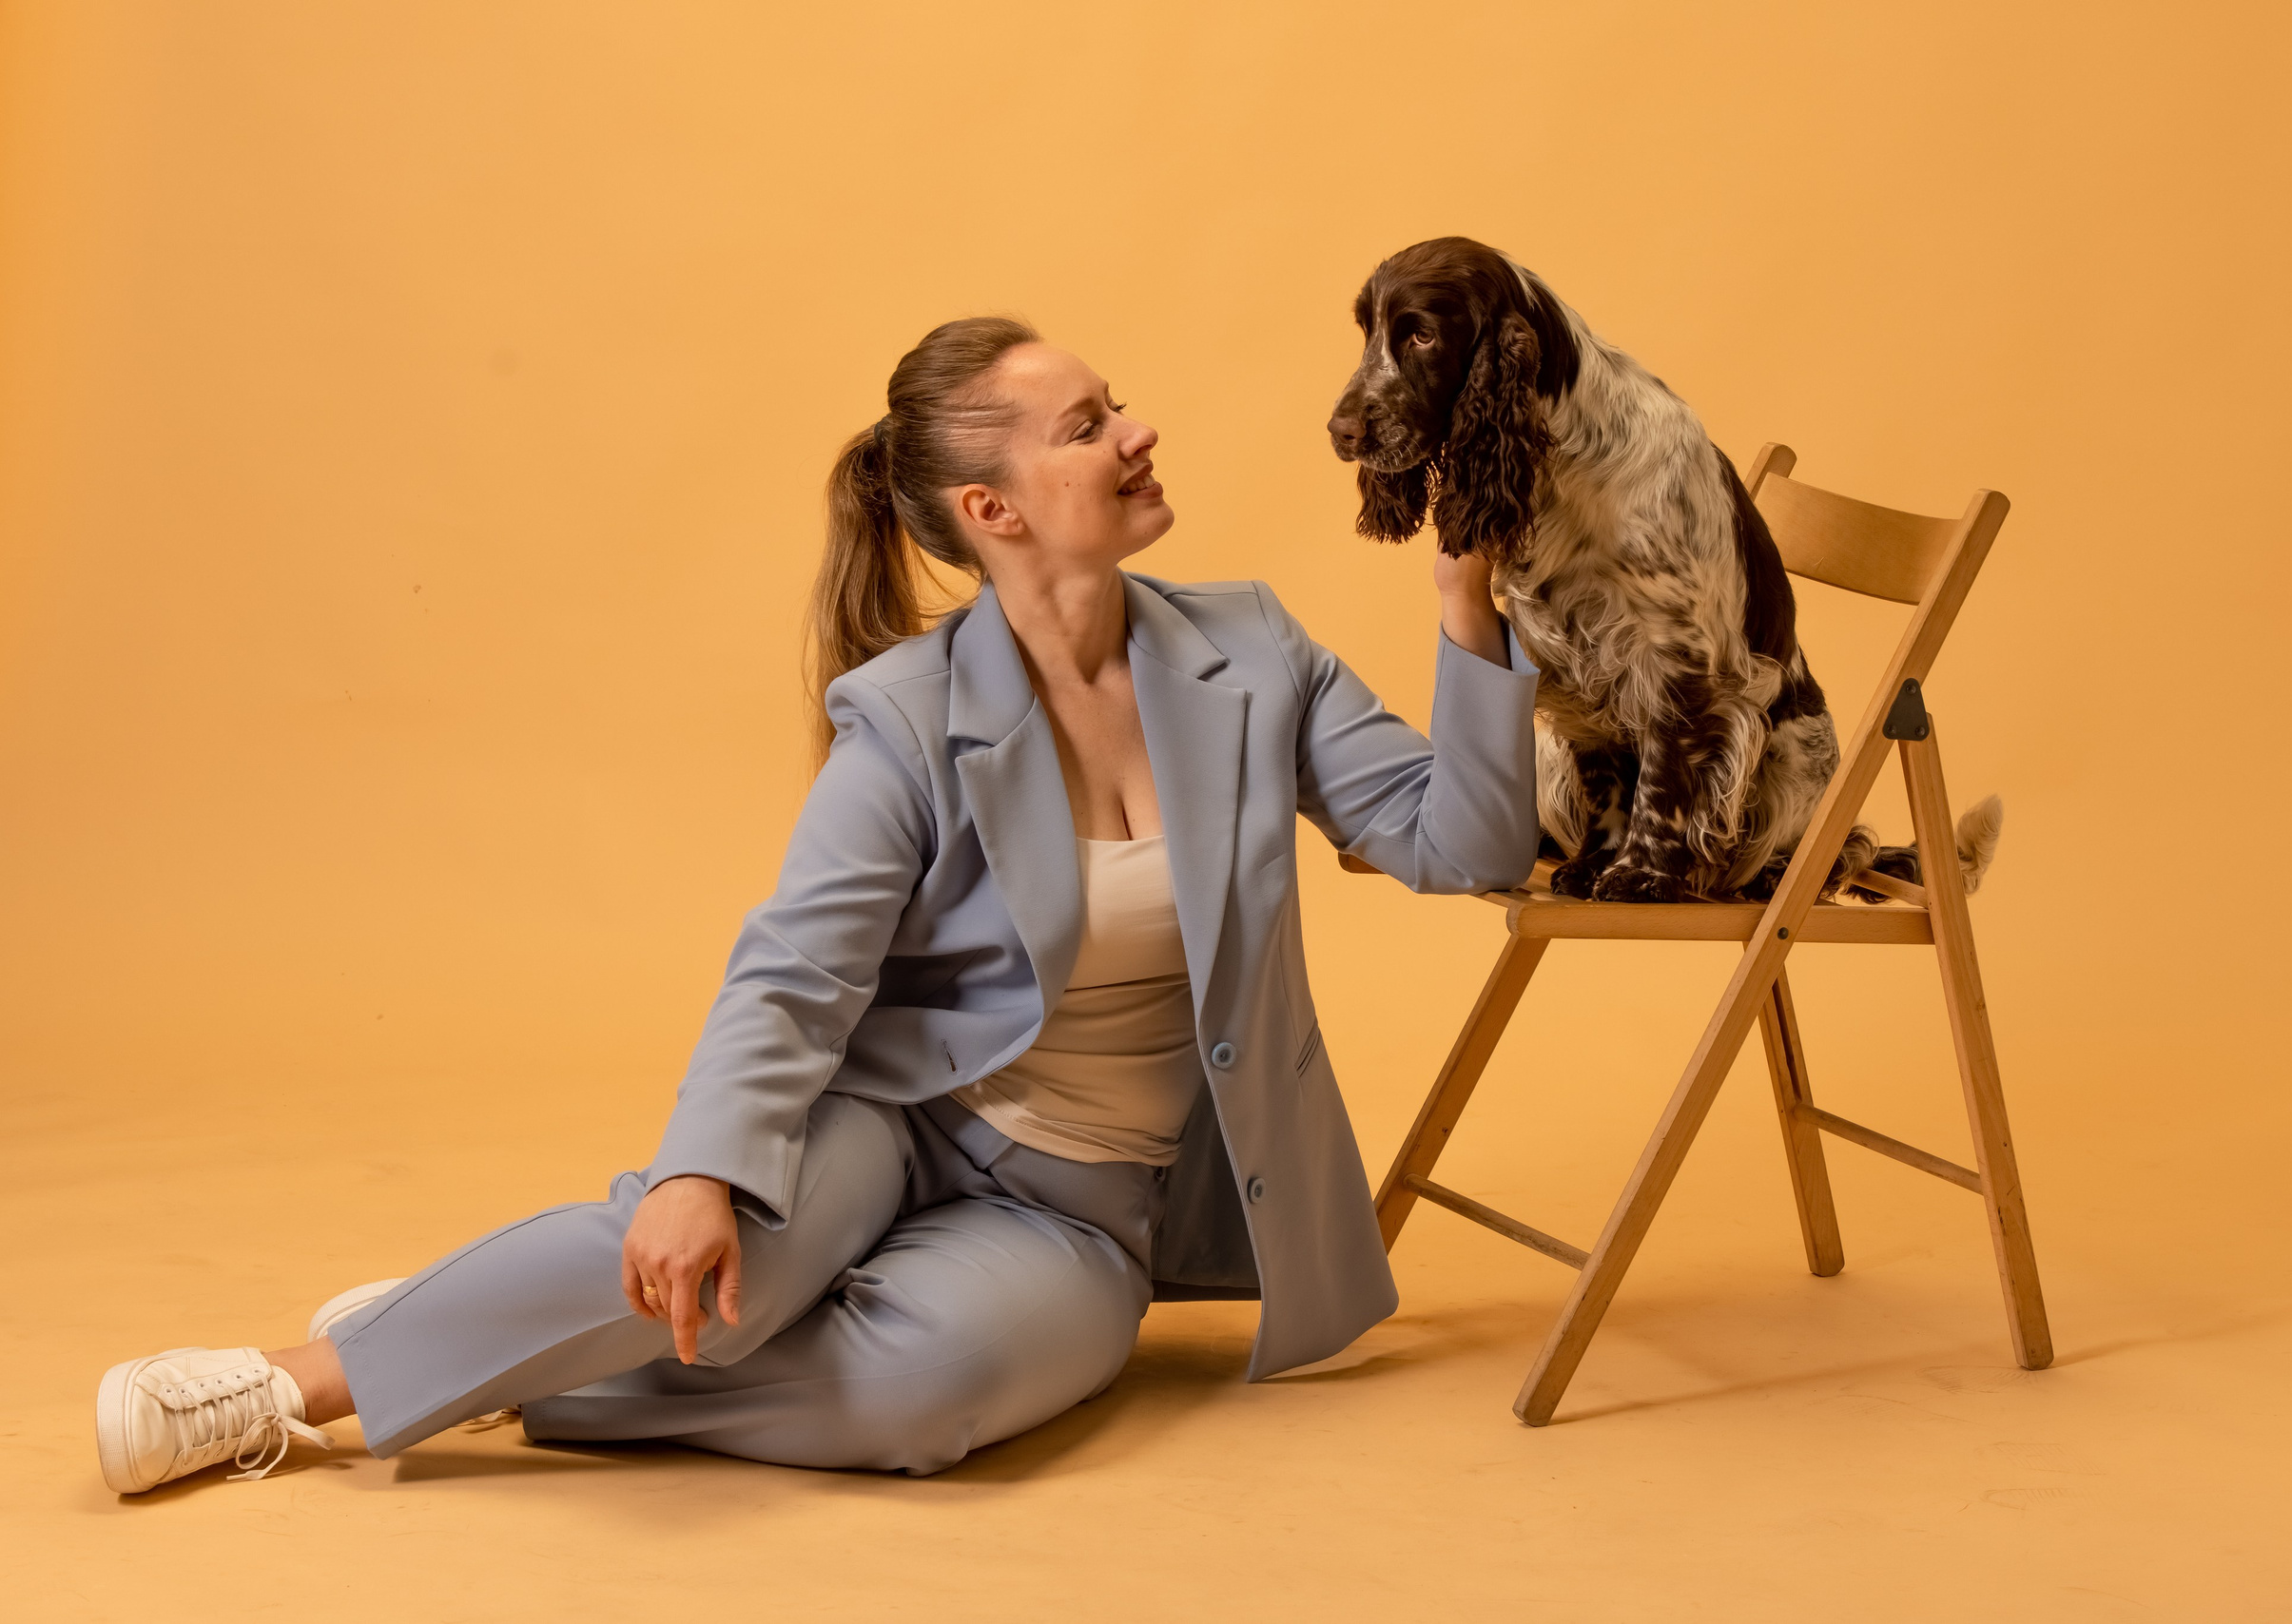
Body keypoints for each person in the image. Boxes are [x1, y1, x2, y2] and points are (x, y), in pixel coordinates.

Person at [93, 316, 1540, 1493]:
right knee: (721, 1255)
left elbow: (1463, 846)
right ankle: (289, 1385)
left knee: (923, 1399)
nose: (1137, 431)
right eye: (1089, 423)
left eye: (1119, 404)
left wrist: (1467, 602)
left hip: (1087, 1211)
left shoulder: (1254, 653)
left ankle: (498, 1347)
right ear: (994, 510)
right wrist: (696, 1171)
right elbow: (799, 964)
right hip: (894, 1122)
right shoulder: (908, 714)